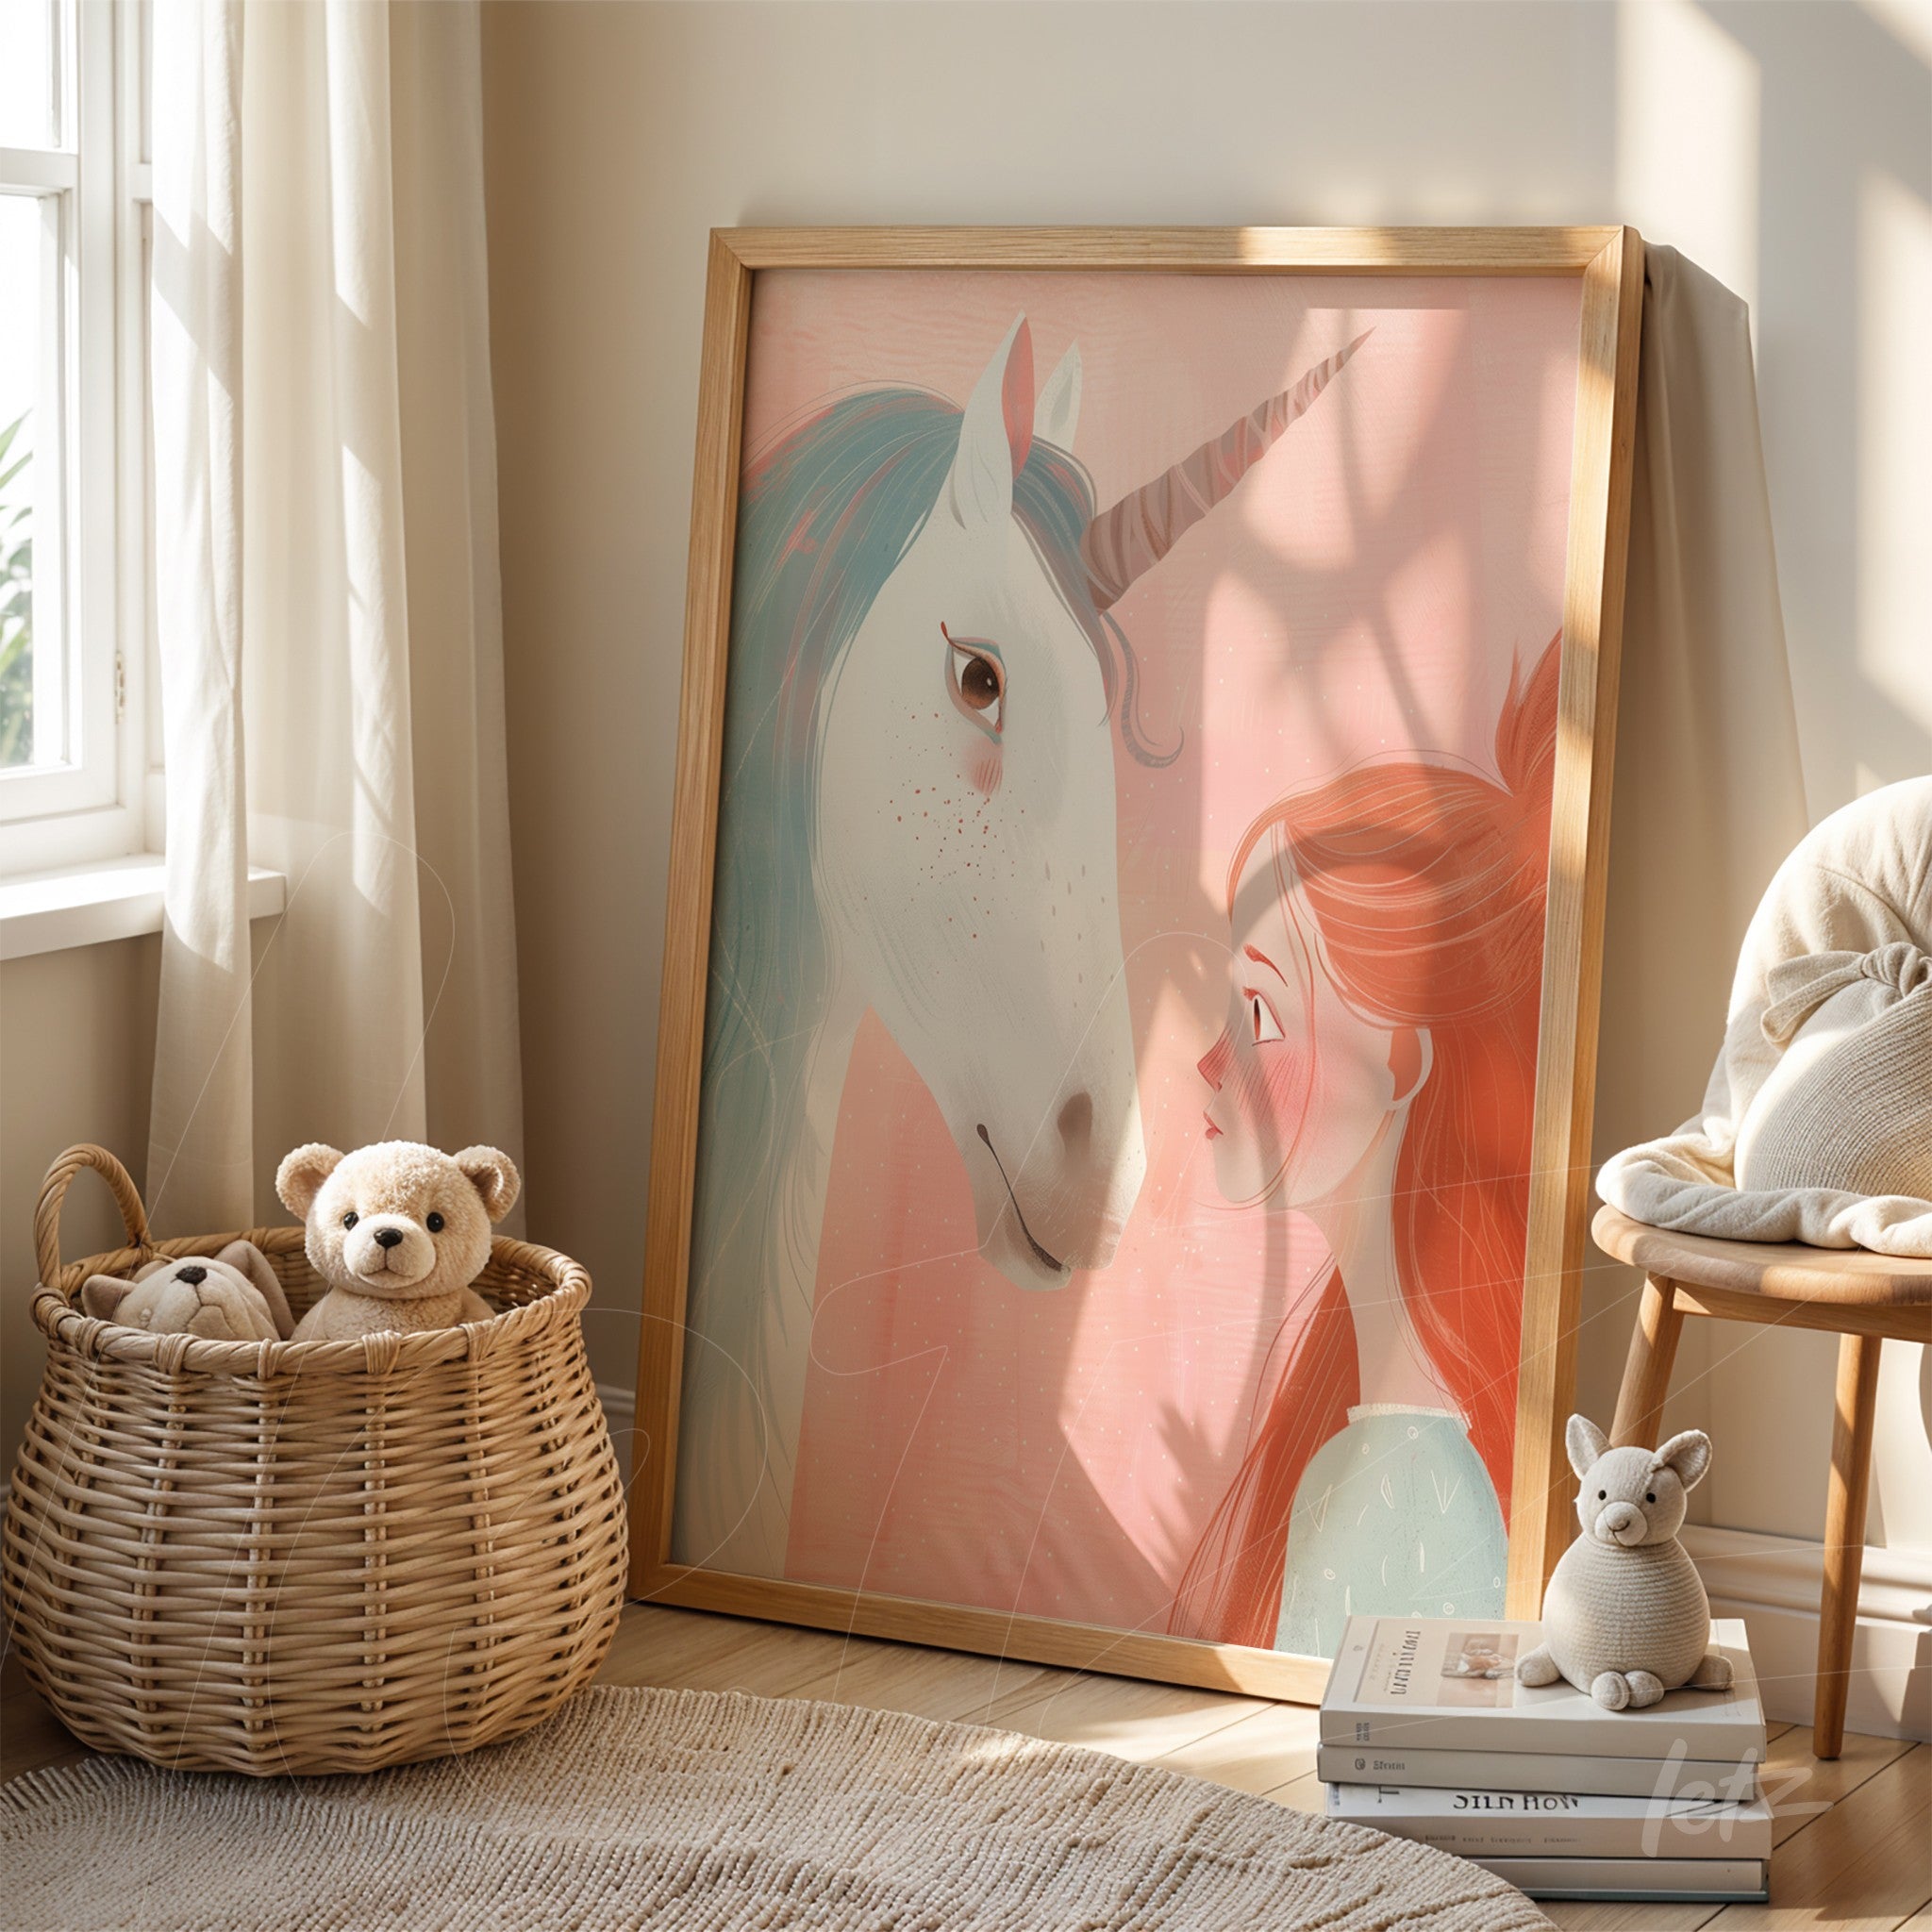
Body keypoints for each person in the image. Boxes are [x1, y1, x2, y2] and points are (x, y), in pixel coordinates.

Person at [1174, 640, 1559, 1656]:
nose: (1208, 1059)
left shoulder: (1411, 1484)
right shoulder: (1387, 1441)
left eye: (1257, 1009)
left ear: (1397, 1059)